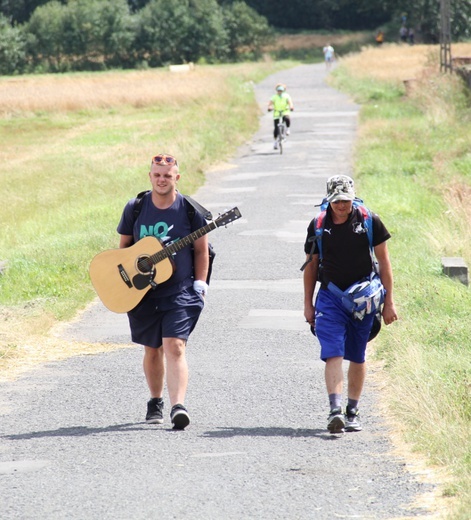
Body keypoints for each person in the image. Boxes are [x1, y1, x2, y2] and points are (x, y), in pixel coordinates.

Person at [117, 153, 209, 430]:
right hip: (142, 292)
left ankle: (178, 406)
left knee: (175, 346)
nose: (161, 180)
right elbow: (124, 249)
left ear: (176, 178)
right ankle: (155, 400)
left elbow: (201, 250)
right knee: (152, 349)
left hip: (180, 290)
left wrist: (200, 285)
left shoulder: (192, 210)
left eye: (167, 175)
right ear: (150, 176)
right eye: (157, 175)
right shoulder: (135, 207)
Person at [303, 175, 398, 434]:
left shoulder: (369, 221)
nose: (341, 206)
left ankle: (352, 410)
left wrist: (389, 302)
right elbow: (311, 266)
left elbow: (384, 263)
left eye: (345, 200)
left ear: (353, 197)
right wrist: (308, 304)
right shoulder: (319, 224)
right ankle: (335, 411)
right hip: (330, 297)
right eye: (336, 201)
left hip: (363, 299)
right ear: (328, 200)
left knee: (357, 355)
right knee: (332, 351)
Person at [267, 83, 294, 150]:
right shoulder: (274, 97)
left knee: (287, 118)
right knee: (276, 128)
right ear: (277, 90)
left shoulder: (286, 96)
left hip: (285, 111)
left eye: (281, 90)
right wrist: (270, 107)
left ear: (283, 90)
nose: (280, 92)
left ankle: (287, 128)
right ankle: (275, 142)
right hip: (277, 113)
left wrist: (291, 107)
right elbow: (270, 103)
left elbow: (290, 102)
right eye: (278, 90)